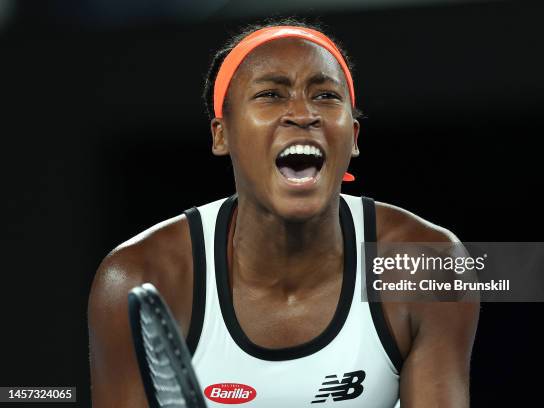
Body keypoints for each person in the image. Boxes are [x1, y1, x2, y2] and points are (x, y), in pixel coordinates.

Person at [88, 18, 479, 407]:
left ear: (354, 137)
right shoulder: (138, 276)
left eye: (325, 95)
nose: (302, 113)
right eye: (271, 95)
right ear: (221, 134)